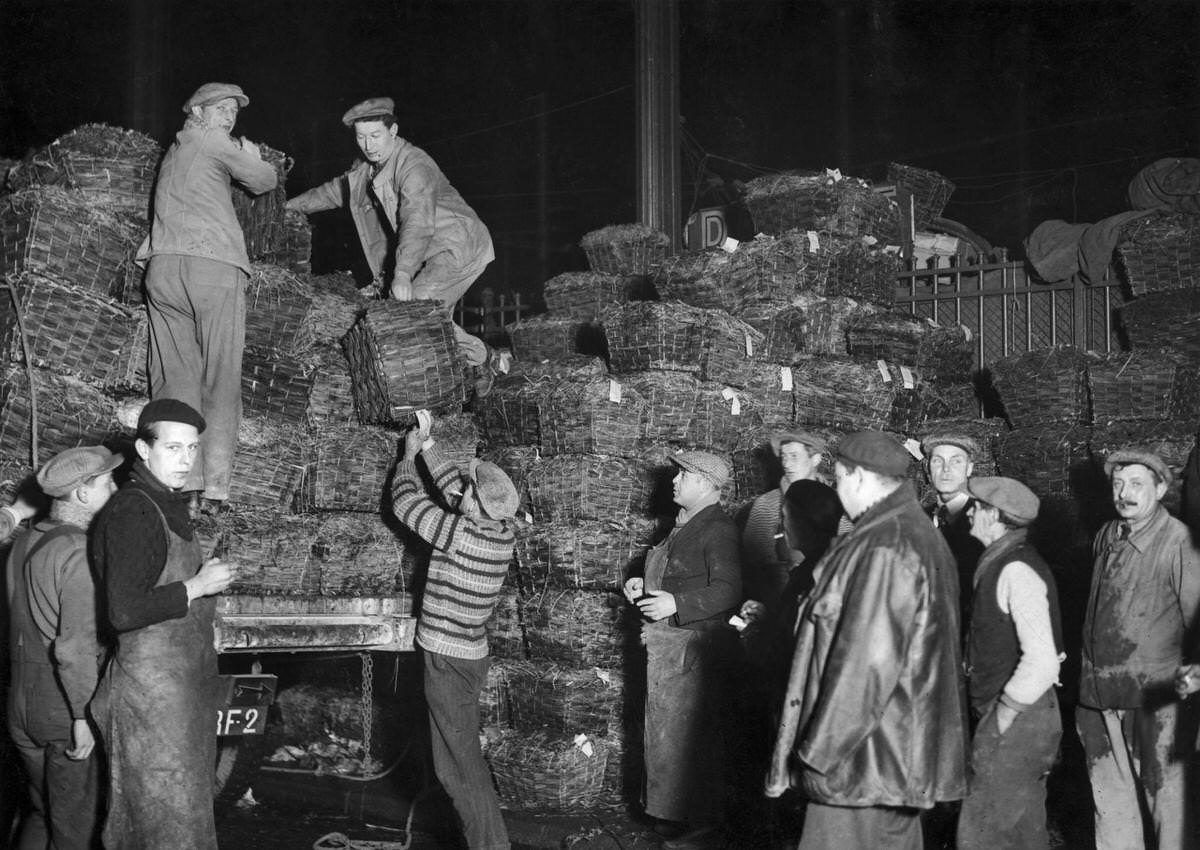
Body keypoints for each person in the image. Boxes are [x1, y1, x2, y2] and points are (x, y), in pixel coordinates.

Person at [765, 430, 967, 850]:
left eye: (838, 481)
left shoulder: (884, 544)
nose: (839, 495)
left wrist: (818, 753)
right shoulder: (916, 532)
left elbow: (866, 665)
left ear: (856, 477)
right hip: (897, 749)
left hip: (863, 760)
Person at [91, 399, 237, 850]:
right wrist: (196, 586)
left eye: (192, 449)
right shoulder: (133, 511)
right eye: (173, 448)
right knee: (158, 825)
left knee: (181, 822)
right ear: (142, 448)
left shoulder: (165, 506)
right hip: (149, 701)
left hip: (179, 695)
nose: (186, 460)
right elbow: (125, 612)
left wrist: (201, 583)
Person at [285, 96, 499, 394]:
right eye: (361, 137)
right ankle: (477, 362)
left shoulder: (414, 165)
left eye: (375, 136)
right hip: (427, 252)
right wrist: (288, 208)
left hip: (457, 245)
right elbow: (332, 193)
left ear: (393, 130)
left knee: (415, 308)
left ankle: (472, 365)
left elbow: (418, 222)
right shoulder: (366, 170)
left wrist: (403, 273)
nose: (368, 145)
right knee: (428, 318)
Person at [138, 82, 279, 515]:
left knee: (174, 379)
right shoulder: (212, 140)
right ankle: (214, 484)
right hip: (211, 267)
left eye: (233, 111)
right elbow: (264, 181)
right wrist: (253, 155)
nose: (229, 117)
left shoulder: (175, 149)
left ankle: (181, 483)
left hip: (162, 269)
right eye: (220, 109)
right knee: (220, 374)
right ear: (197, 111)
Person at [390, 417, 519, 850]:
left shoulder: (458, 534)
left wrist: (407, 458)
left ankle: (490, 846)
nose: (461, 493)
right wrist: (429, 445)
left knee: (458, 768)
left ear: (474, 506)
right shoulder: (503, 531)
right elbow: (455, 492)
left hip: (446, 660)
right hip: (469, 655)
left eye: (469, 493)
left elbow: (404, 502)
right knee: (459, 760)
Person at [1076, 448, 1200, 850]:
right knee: (1111, 807)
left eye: (1136, 484)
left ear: (1161, 489)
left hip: (1156, 701)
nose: (1124, 493)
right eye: (1118, 483)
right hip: (1100, 698)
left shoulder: (1178, 542)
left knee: (1169, 808)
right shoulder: (1107, 535)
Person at [622, 451, 742, 850]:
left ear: (706, 485)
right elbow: (674, 573)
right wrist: (640, 585)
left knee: (684, 736)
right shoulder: (683, 524)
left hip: (692, 648)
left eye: (684, 475)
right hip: (668, 645)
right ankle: (669, 814)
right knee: (664, 732)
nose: (674, 480)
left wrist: (676, 604)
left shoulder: (718, 529)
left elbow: (728, 589)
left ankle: (686, 820)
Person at [6, 446, 119, 850]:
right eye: (107, 482)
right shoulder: (78, 553)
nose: (115, 487)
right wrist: (81, 716)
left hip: (20, 705)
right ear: (83, 494)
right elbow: (74, 648)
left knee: (42, 813)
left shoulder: (26, 540)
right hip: (61, 708)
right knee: (76, 829)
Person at [955, 476, 1064, 850]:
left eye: (978, 507)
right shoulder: (1000, 562)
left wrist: (1003, 715)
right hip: (1019, 718)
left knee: (982, 834)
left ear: (995, 517)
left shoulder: (1016, 569)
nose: (971, 511)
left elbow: (1043, 661)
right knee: (1022, 834)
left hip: (1019, 719)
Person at [923, 432, 985, 625]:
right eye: (937, 461)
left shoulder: (986, 520)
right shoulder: (917, 519)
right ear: (927, 469)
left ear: (970, 469)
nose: (945, 470)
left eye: (956, 462)